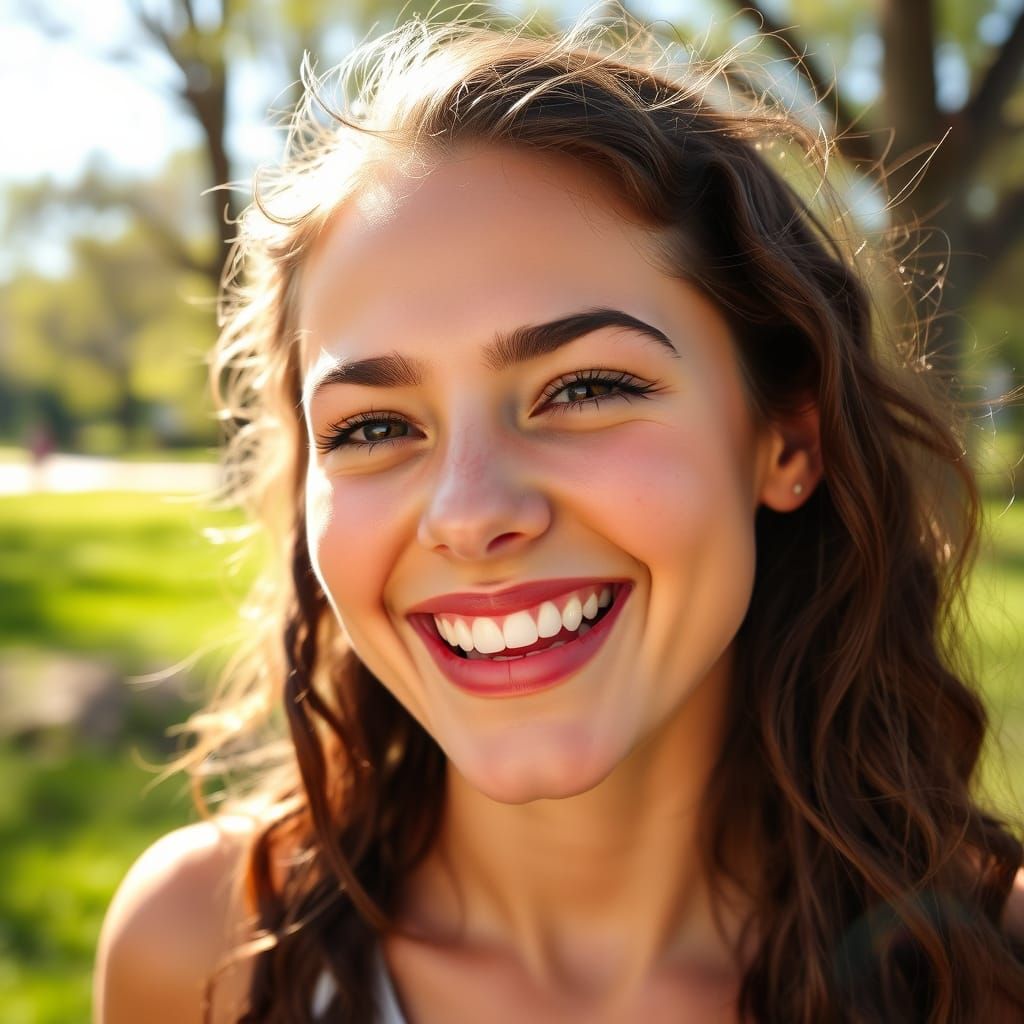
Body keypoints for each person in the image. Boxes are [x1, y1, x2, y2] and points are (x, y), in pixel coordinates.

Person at [94, 8, 1024, 1022]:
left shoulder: (988, 975)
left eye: (582, 389)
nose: (469, 513)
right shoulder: (203, 953)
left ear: (785, 441)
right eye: (371, 428)